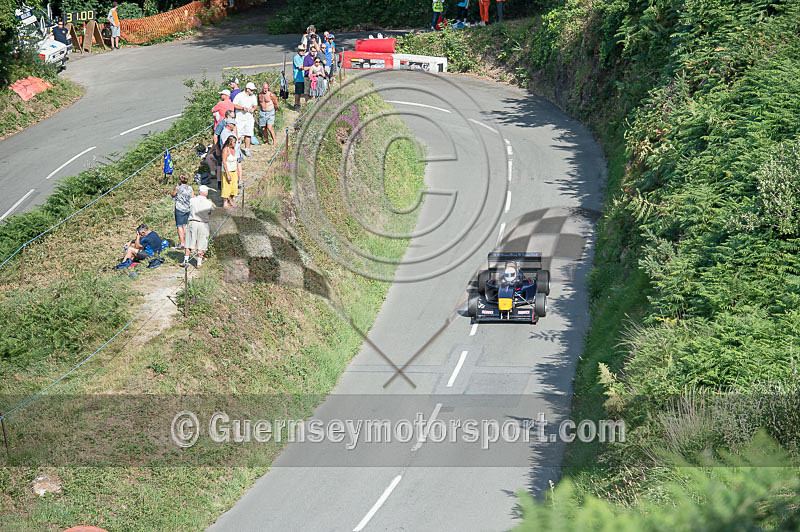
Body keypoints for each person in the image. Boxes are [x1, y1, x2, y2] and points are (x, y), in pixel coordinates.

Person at [183, 185, 216, 268]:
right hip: (203, 223)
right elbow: (212, 213)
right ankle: (199, 263)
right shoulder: (209, 203)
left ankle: (185, 260)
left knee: (189, 241)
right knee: (202, 243)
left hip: (193, 222)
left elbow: (187, 209)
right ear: (206, 193)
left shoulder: (192, 200)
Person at [233, 82, 257, 156]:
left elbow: (255, 105)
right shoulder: (239, 95)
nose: (253, 91)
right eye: (252, 90)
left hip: (249, 118)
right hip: (240, 118)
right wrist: (242, 108)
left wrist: (253, 109)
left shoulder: (253, 96)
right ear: (247, 89)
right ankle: (237, 150)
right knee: (238, 135)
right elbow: (234, 104)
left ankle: (247, 149)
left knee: (248, 134)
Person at [171, 174, 193, 249]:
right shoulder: (190, 188)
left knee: (179, 226)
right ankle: (187, 242)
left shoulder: (178, 188)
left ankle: (182, 243)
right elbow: (192, 197)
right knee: (185, 225)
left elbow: (173, 195)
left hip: (179, 208)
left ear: (180, 180)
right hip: (187, 208)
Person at [220, 136, 239, 209]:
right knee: (226, 187)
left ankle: (231, 201)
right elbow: (224, 162)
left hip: (234, 170)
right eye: (234, 142)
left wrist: (237, 171)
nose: (235, 144)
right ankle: (225, 202)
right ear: (231, 142)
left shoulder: (233, 149)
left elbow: (236, 161)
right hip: (227, 171)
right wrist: (227, 174)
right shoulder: (225, 150)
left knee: (234, 187)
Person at [292, 45, 308, 109]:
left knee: (304, 92)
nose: (302, 52)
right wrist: (309, 67)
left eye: (303, 50)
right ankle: (296, 104)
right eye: (301, 50)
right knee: (298, 92)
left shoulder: (304, 57)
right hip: (298, 78)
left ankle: (301, 104)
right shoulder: (296, 57)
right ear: (298, 51)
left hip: (303, 77)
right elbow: (300, 67)